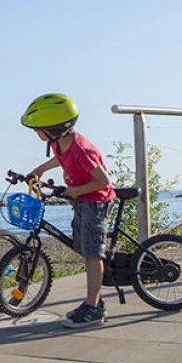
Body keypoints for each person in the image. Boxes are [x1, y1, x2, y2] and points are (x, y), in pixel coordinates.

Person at [21, 93, 115, 329]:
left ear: (53, 128)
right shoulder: (58, 141)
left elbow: (103, 181)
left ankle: (93, 308)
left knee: (93, 254)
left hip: (96, 201)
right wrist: (39, 170)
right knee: (84, 248)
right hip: (82, 199)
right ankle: (95, 300)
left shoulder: (82, 149)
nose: (36, 134)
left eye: (38, 129)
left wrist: (76, 191)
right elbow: (59, 159)